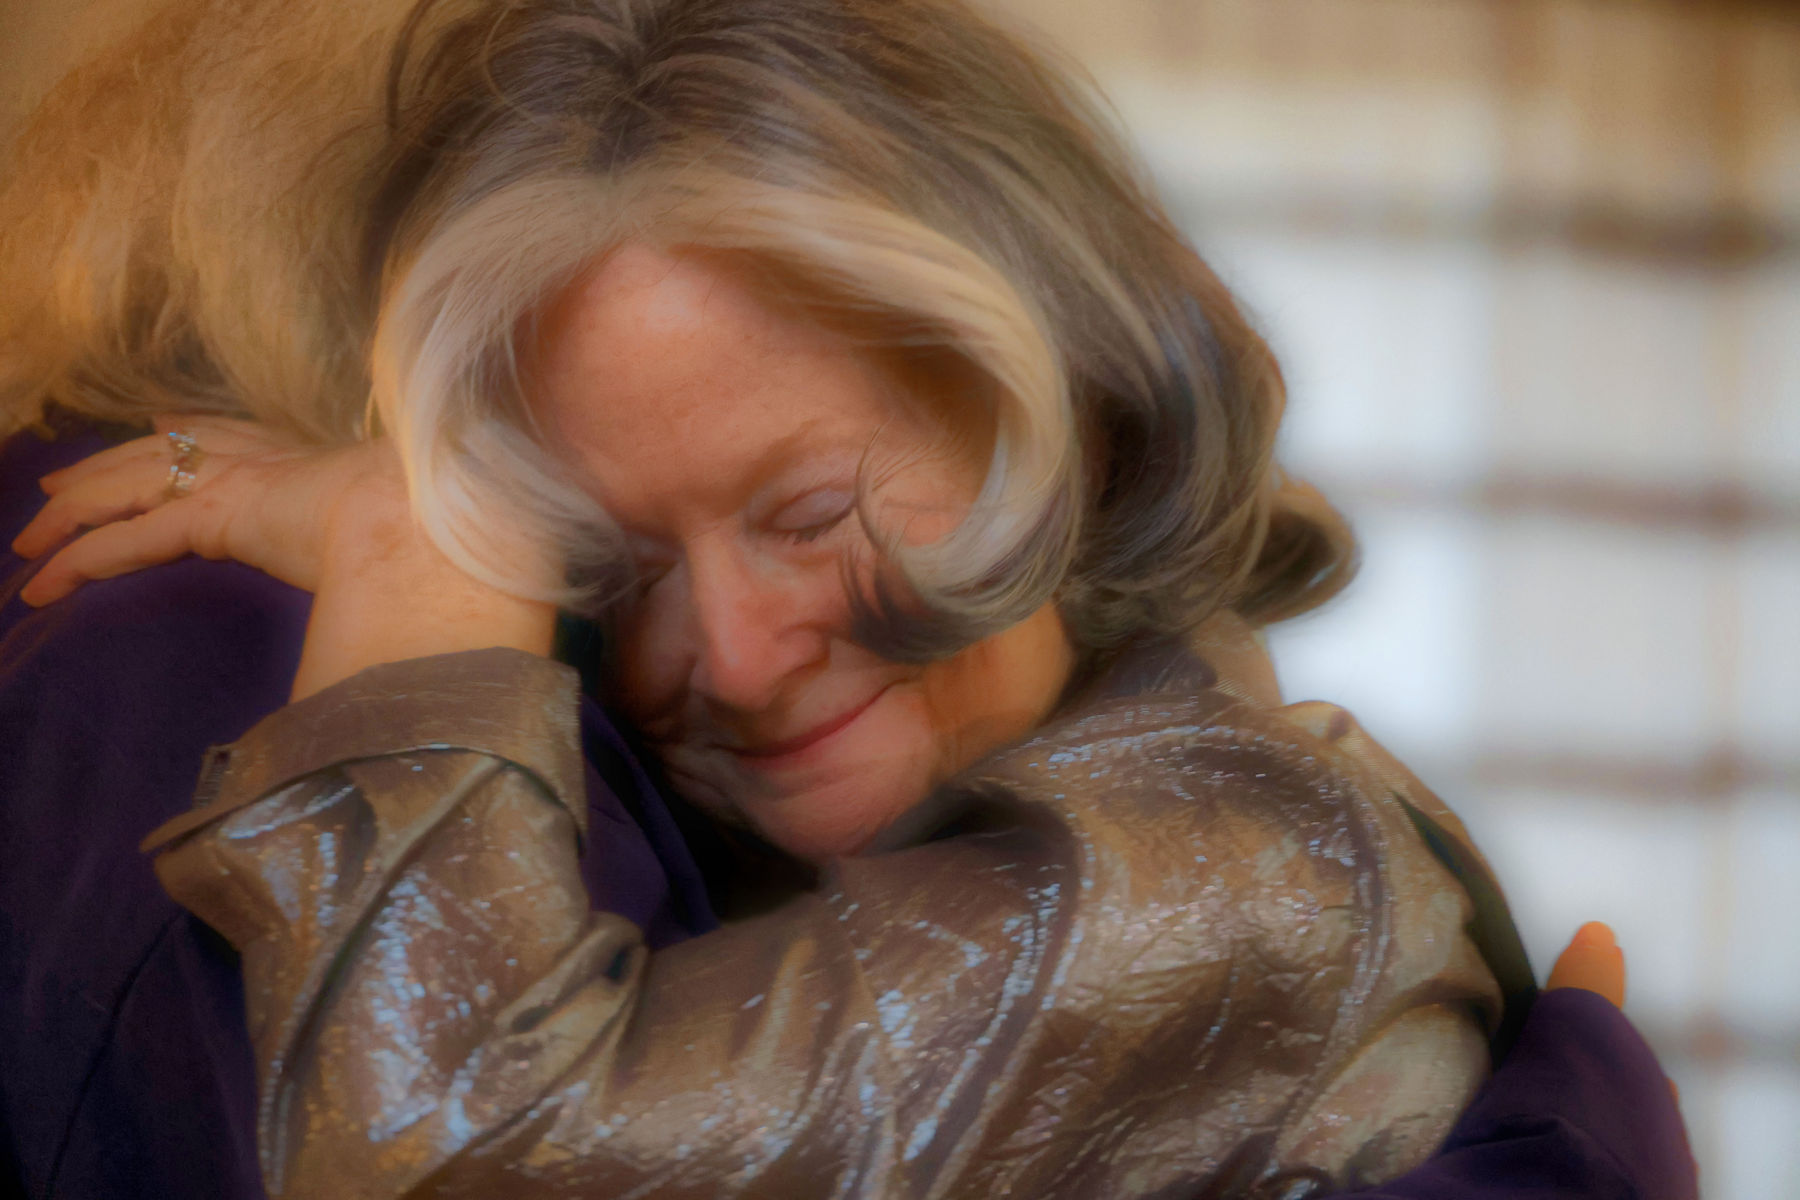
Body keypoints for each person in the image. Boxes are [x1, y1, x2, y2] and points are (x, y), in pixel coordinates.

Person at [0, 0, 1695, 1195]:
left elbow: (451, 1155)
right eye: (604, 571)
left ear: (1082, 414)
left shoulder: (1246, 871)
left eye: (811, 514)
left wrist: (417, 570)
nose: (735, 661)